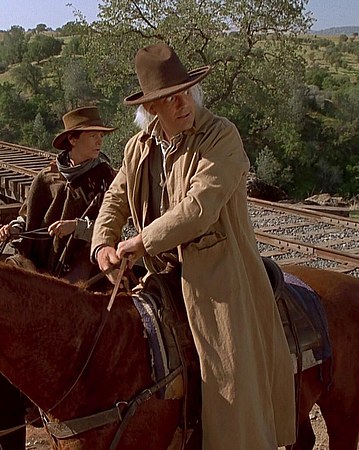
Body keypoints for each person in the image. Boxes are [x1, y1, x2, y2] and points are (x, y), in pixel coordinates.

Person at [90, 43, 296, 449]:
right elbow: (115, 198)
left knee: (230, 379)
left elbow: (200, 207)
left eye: (185, 92)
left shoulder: (221, 136)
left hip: (220, 279)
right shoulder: (138, 147)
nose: (182, 103)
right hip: (160, 274)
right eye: (169, 98)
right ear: (151, 108)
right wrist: (102, 246)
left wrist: (141, 241)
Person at [0, 106, 116, 284]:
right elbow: (28, 216)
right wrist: (14, 228)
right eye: (93, 136)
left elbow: (116, 226)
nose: (99, 141)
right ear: (73, 139)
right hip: (43, 262)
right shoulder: (47, 177)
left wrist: (77, 227)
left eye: (101, 136)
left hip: (86, 264)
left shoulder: (106, 177)